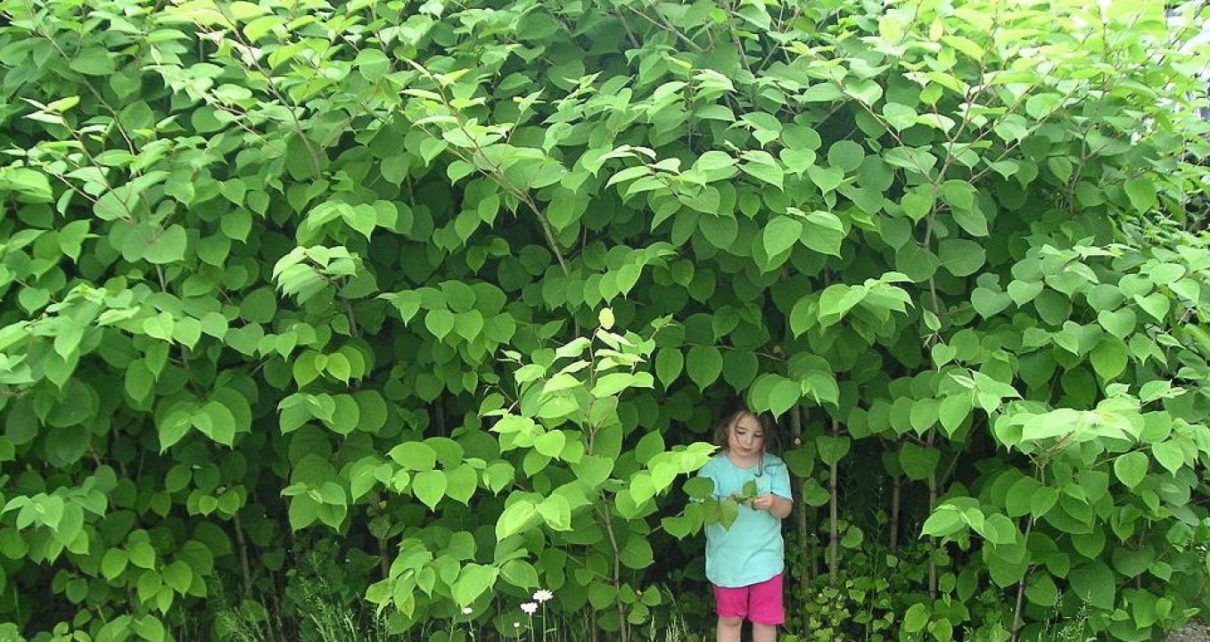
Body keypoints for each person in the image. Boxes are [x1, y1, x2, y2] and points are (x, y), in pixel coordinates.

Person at [697, 403, 793, 642]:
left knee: (765, 620)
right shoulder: (712, 468)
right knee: (730, 619)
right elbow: (700, 511)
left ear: (766, 438)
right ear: (726, 428)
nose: (748, 442)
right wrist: (722, 505)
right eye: (741, 432)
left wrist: (772, 503)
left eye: (757, 435)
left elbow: (785, 510)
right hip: (727, 562)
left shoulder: (773, 466)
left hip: (766, 560)